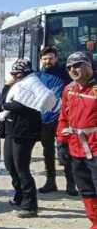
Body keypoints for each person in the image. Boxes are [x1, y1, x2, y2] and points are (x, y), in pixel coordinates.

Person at [0, 59, 54, 218]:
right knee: (10, 165)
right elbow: (5, 102)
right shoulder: (19, 85)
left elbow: (14, 105)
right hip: (12, 129)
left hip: (24, 132)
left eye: (15, 74)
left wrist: (7, 104)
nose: (13, 76)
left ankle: (30, 205)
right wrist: (8, 87)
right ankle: (20, 196)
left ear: (22, 73)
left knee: (21, 168)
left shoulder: (32, 84)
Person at [56, 52, 97, 229]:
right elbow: (63, 118)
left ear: (89, 66)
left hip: (95, 148)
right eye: (69, 67)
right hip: (76, 149)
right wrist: (61, 142)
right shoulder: (68, 90)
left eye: (78, 65)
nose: (73, 69)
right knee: (87, 192)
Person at [36, 47, 77, 195]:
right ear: (41, 60)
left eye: (51, 58)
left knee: (65, 151)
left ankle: (71, 184)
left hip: (62, 119)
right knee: (47, 151)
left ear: (56, 58)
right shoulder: (37, 76)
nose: (48, 61)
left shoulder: (65, 75)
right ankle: (50, 181)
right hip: (44, 119)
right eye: (45, 58)